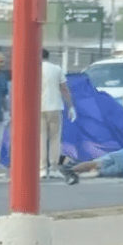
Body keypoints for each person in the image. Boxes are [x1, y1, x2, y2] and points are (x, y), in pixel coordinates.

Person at [41, 49, 77, 179]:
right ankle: (54, 167)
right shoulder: (57, 69)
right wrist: (71, 107)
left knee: (41, 138)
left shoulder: (34, 69)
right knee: (55, 138)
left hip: (39, 108)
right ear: (48, 56)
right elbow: (64, 89)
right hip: (55, 106)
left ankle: (42, 168)